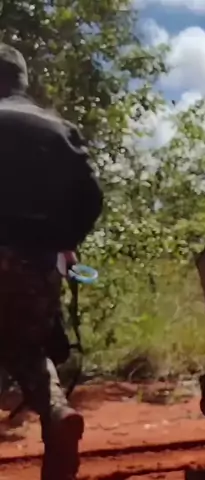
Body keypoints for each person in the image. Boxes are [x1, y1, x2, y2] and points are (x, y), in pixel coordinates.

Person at [0, 43, 104, 480]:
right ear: (23, 81)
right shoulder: (59, 129)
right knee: (28, 347)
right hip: (36, 260)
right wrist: (62, 241)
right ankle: (57, 411)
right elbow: (91, 198)